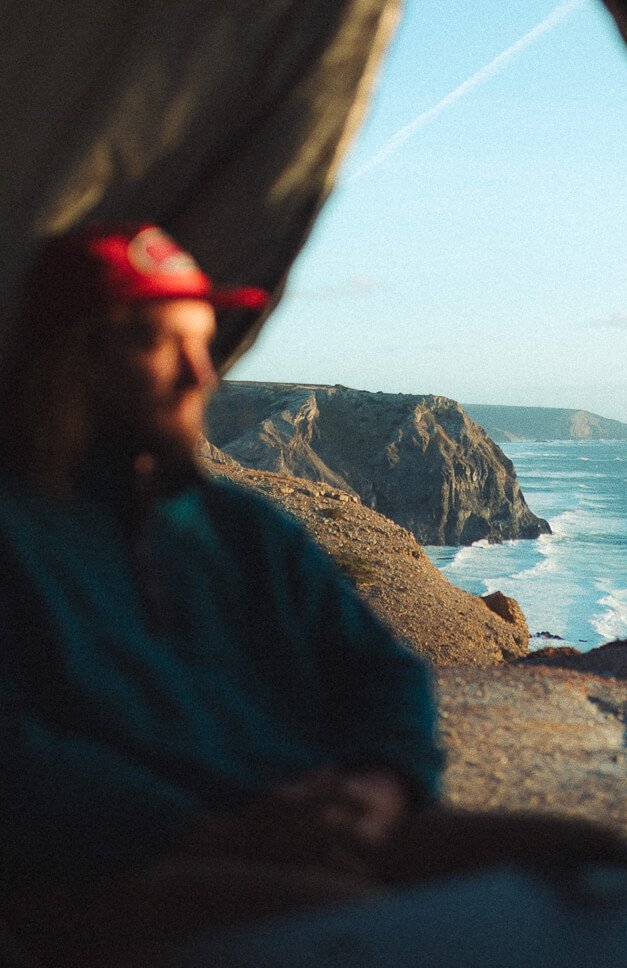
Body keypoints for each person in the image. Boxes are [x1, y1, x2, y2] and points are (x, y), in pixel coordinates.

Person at [0, 223, 444, 961]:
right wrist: (204, 826)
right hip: (113, 865)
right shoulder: (18, 534)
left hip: (314, 821)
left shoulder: (237, 525)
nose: (200, 375)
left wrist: (381, 783)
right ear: (76, 362)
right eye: (161, 343)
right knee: (392, 938)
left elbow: (379, 666)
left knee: (584, 866)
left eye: (204, 343)